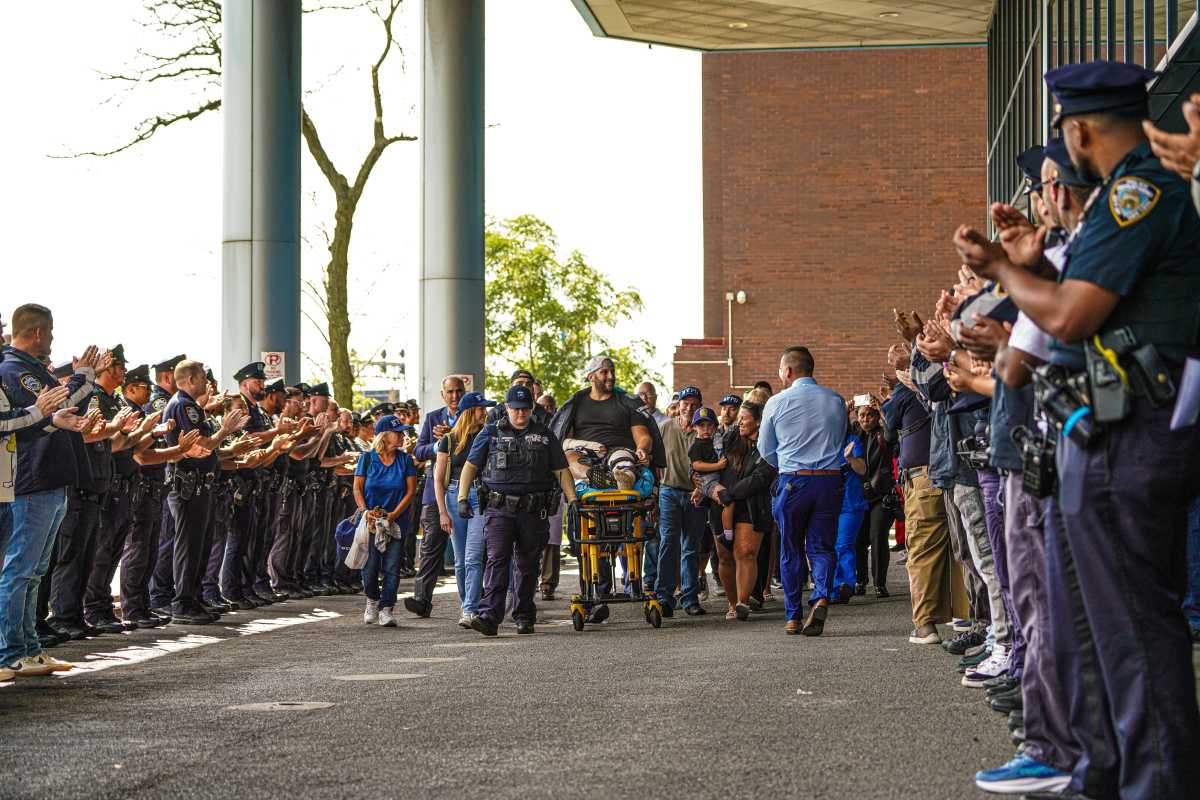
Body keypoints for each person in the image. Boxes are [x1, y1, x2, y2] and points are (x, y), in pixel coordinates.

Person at [956, 60, 1200, 800]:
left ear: (1079, 130)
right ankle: (1108, 770)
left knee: (1131, 627)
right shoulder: (1133, 196)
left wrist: (1001, 268)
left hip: (1134, 431)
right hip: (1105, 430)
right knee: (1100, 626)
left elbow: (1066, 317)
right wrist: (1020, 270)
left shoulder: (1136, 194)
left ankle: (1153, 782)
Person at [0, 305, 103, 676]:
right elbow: (54, 405)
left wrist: (81, 382)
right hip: (34, 478)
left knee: (36, 568)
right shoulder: (14, 369)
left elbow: (61, 407)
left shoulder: (31, 368)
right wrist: (84, 378)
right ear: (39, 333)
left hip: (49, 477)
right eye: (51, 333)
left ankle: (28, 647)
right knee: (22, 569)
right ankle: (12, 650)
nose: (52, 341)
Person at [456, 384, 578, 636]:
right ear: (507, 408)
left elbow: (561, 470)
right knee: (497, 560)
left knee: (527, 564)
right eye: (516, 409)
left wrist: (573, 500)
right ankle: (490, 616)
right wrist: (461, 497)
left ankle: (524, 615)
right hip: (499, 508)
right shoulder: (490, 433)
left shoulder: (544, 435)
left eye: (525, 409)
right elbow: (470, 466)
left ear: (531, 408)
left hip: (533, 510)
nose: (521, 414)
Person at [759, 346, 845, 636]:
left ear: (788, 371)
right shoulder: (836, 400)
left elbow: (765, 449)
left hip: (793, 480)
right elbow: (840, 438)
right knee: (822, 547)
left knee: (790, 548)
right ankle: (821, 595)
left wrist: (785, 463)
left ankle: (793, 615)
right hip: (829, 480)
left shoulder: (776, 402)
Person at [161, 359, 247, 625]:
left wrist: (229, 443)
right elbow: (202, 445)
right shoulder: (183, 405)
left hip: (201, 485)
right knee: (189, 546)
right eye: (201, 378)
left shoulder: (193, 407)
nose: (206, 383)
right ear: (188, 380)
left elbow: (210, 448)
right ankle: (183, 603)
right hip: (189, 486)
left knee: (201, 545)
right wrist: (225, 430)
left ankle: (194, 599)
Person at [408, 391, 494, 625]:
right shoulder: (448, 440)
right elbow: (437, 479)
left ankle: (470, 609)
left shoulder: (487, 436)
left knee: (474, 556)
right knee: (460, 559)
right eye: (480, 409)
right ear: (469, 412)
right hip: (454, 496)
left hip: (479, 496)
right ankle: (467, 605)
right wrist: (443, 512)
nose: (484, 413)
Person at [712, 401, 776, 621]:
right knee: (725, 557)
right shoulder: (731, 439)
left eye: (745, 418)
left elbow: (761, 478)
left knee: (746, 552)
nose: (740, 422)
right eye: (739, 417)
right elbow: (717, 452)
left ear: (758, 422)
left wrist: (732, 493)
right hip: (723, 504)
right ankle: (731, 603)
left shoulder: (768, 446)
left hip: (752, 505)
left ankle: (742, 601)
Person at [354, 414, 417, 628]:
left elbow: (410, 492)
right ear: (384, 435)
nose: (402, 436)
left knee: (392, 566)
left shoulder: (405, 460)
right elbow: (357, 488)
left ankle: (387, 607)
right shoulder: (367, 458)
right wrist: (365, 511)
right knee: (370, 567)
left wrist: (393, 515)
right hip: (371, 520)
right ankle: (372, 599)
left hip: (396, 521)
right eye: (397, 433)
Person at [651, 385, 708, 617]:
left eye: (694, 403)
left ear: (699, 406)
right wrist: (653, 494)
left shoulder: (703, 432)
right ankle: (663, 597)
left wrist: (702, 489)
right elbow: (653, 462)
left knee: (691, 547)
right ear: (679, 404)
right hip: (668, 491)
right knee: (668, 543)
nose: (689, 406)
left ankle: (690, 598)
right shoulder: (664, 427)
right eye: (686, 402)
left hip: (695, 495)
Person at [853, 400, 895, 599]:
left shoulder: (882, 433)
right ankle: (860, 580)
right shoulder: (854, 434)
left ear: (877, 417)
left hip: (880, 493)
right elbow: (840, 430)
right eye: (862, 415)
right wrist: (846, 411)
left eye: (870, 415)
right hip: (859, 494)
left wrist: (882, 410)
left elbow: (891, 434)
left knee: (877, 536)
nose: (865, 419)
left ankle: (880, 583)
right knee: (859, 539)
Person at [832, 422, 868, 605]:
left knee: (843, 545)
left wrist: (850, 458)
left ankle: (844, 584)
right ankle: (830, 588)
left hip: (850, 503)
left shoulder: (852, 441)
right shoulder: (822, 442)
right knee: (826, 547)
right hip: (827, 503)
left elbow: (862, 469)